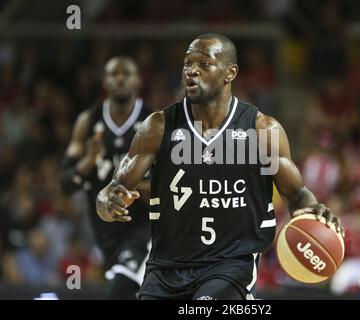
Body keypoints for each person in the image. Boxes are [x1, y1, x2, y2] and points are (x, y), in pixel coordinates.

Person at [96, 34, 344, 300]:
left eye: (204, 64)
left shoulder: (262, 131)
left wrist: (313, 210)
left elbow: (297, 195)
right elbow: (109, 195)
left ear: (230, 73)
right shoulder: (158, 127)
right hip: (165, 267)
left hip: (229, 267)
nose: (191, 71)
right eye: (187, 64)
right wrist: (108, 204)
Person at [60, 57, 152, 299]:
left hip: (145, 227)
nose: (120, 78)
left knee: (118, 293)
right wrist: (89, 160)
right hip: (104, 229)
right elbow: (66, 184)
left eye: (127, 73)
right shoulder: (87, 121)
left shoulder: (154, 122)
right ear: (104, 81)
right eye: (114, 74)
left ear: (138, 81)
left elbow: (173, 182)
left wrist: (138, 187)